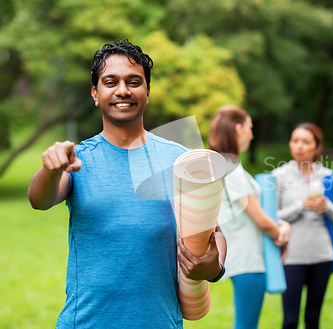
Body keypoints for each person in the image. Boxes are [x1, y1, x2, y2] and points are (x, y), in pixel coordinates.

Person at [28, 39, 226, 328]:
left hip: (159, 322)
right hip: (87, 322)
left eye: (134, 81)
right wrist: (50, 170)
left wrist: (214, 267)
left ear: (147, 91)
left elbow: (213, 230)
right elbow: (40, 199)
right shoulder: (78, 159)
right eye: (111, 82)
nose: (123, 90)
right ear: (96, 94)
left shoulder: (180, 159)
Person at [208, 105, 291, 329]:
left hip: (246, 259)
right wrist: (282, 231)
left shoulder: (226, 166)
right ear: (238, 129)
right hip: (248, 261)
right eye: (250, 128)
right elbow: (261, 220)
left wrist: (279, 224)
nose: (252, 134)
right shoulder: (230, 168)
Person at [271, 123, 333, 329]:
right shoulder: (279, 176)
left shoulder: (328, 176)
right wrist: (300, 206)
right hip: (292, 257)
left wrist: (327, 206)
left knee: (313, 319)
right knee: (290, 321)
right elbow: (272, 218)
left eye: (306, 142)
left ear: (317, 147)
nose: (299, 146)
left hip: (323, 255)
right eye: (295, 141)